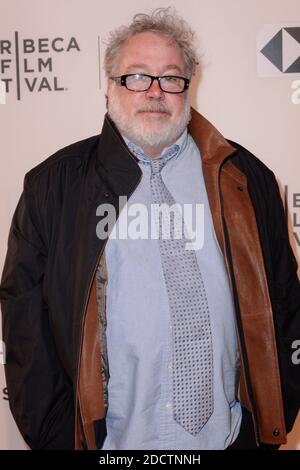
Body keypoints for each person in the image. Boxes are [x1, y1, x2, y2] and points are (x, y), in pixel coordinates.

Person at [0, 7, 299, 451]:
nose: (155, 92)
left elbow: (283, 303)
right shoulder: (53, 186)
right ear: (109, 86)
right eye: (137, 76)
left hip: (228, 439)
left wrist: (270, 422)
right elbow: (25, 328)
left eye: (170, 77)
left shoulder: (245, 179)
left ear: (188, 87)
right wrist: (60, 438)